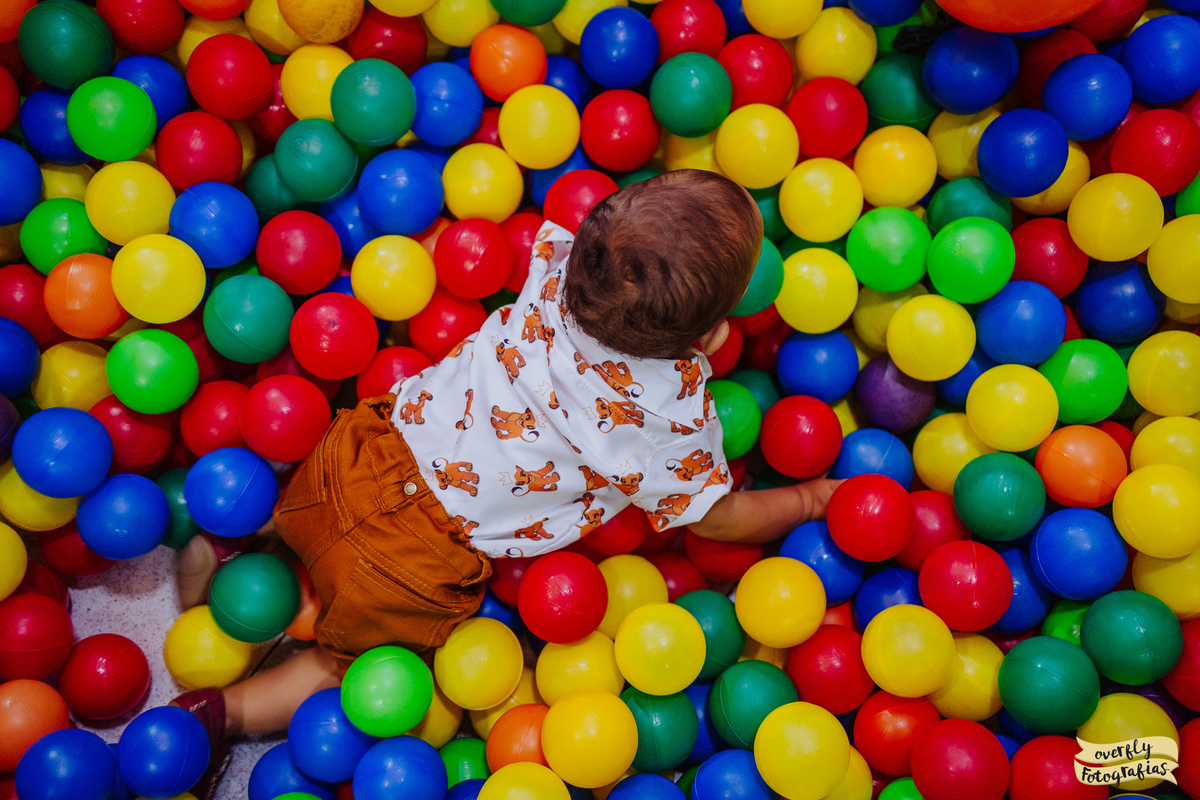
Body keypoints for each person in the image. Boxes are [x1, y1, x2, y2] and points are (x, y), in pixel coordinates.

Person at [173, 170, 842, 798]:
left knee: (307, 510)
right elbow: (715, 517)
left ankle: (243, 546)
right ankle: (224, 713)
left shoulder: (554, 274)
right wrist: (810, 498)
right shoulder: (665, 420)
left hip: (354, 457)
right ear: (710, 331)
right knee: (344, 666)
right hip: (411, 564)